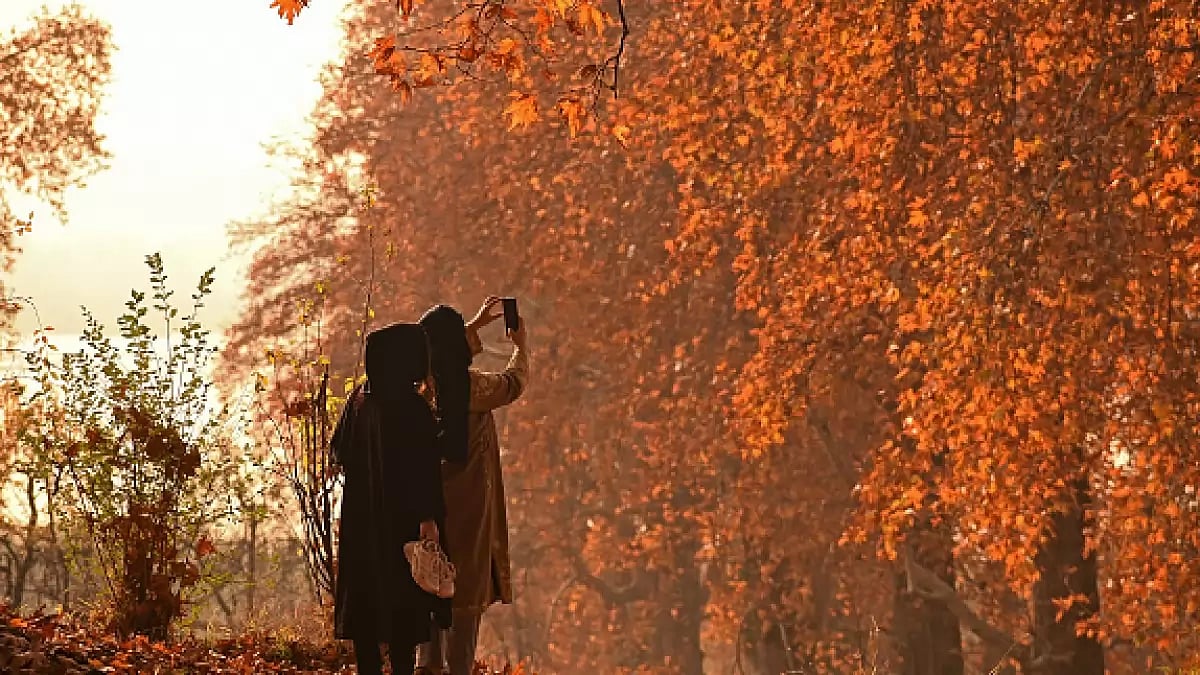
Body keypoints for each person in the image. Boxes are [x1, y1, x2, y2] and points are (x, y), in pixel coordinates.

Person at [330, 322, 456, 675]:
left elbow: (339, 451)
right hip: (400, 525)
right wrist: (429, 519)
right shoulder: (412, 408)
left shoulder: (359, 400)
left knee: (365, 615)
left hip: (361, 523)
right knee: (403, 618)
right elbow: (423, 471)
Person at [417, 297, 530, 675]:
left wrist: (474, 327)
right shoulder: (475, 390)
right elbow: (513, 383)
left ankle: (427, 666)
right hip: (472, 515)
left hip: (431, 511)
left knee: (431, 590)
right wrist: (521, 347)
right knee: (464, 607)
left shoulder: (423, 391)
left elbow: (442, 355)